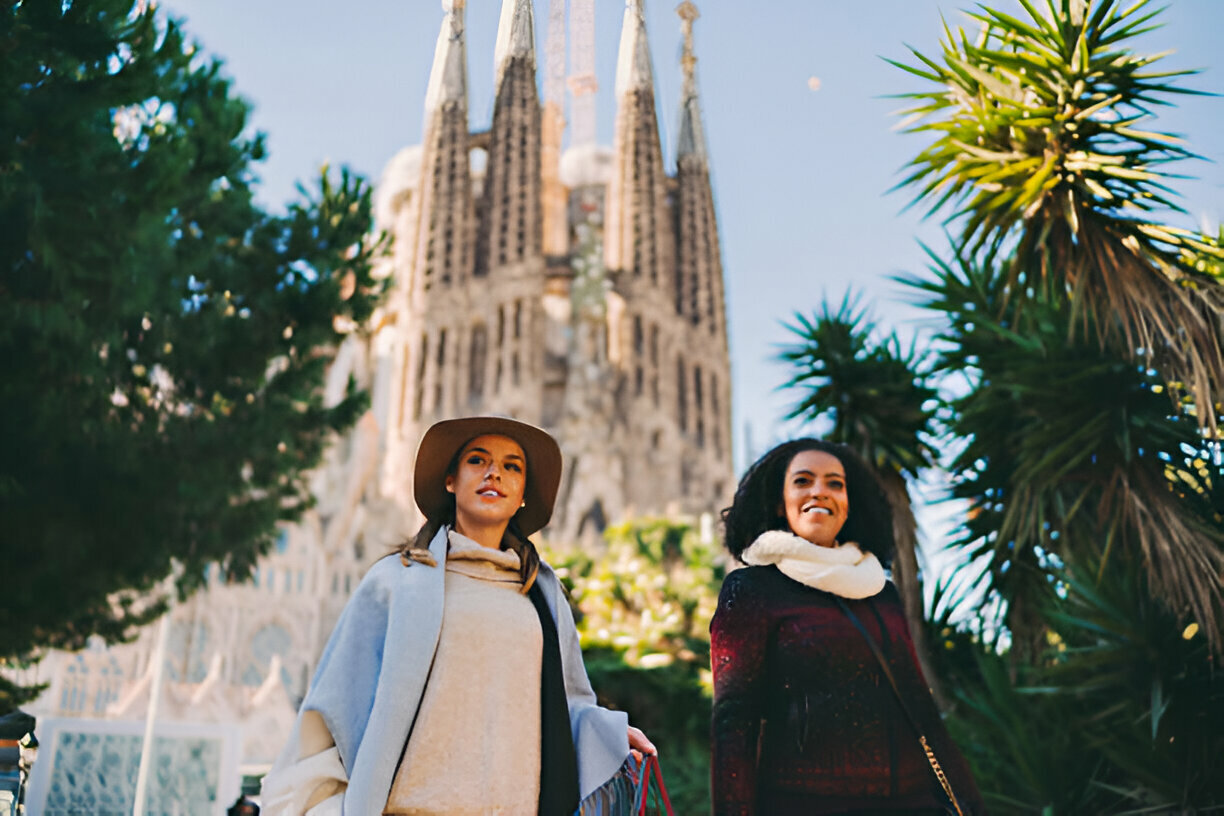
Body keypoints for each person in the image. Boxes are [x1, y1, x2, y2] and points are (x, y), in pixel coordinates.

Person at [261, 416, 654, 815]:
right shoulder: (395, 581)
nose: (494, 473)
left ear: (522, 494)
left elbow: (563, 708)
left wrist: (607, 733)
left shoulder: (542, 597)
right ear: (451, 480)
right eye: (477, 461)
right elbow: (336, 707)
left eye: (511, 467)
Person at [710, 439, 984, 815]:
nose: (819, 491)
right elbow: (733, 724)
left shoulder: (880, 591)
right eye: (803, 481)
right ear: (778, 503)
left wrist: (972, 806)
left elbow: (920, 705)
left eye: (834, 483)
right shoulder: (753, 589)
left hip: (912, 803)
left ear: (848, 504)